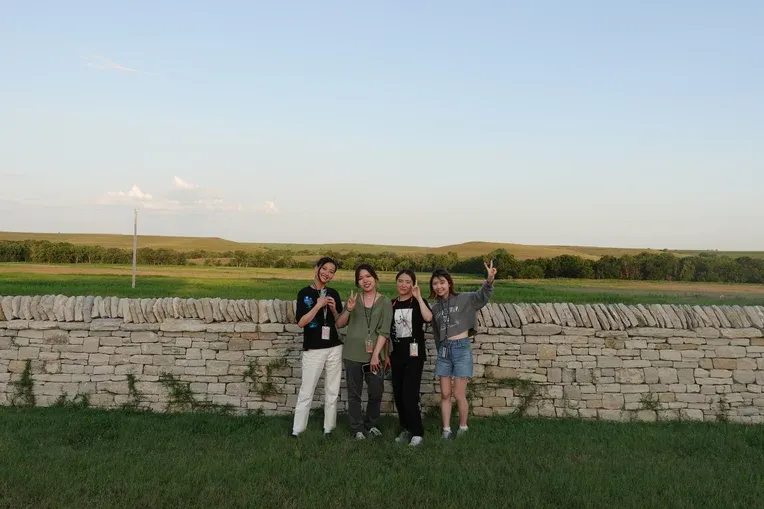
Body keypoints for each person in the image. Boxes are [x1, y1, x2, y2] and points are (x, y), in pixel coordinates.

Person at [429, 260, 497, 439]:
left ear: (449, 283)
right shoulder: (435, 308)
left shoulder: (464, 298)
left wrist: (489, 280)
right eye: (435, 283)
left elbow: (482, 296)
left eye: (442, 282)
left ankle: (463, 427)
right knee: (445, 393)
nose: (439, 286)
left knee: (459, 394)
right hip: (444, 352)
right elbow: (437, 334)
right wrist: (440, 350)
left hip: (461, 350)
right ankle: (446, 430)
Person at [335, 264, 393, 439]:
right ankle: (357, 429)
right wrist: (349, 309)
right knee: (354, 394)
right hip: (352, 354)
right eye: (360, 278)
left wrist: (376, 355)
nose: (365, 281)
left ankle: (371, 424)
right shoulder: (354, 300)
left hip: (374, 357)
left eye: (367, 276)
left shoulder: (385, 302)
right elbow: (339, 324)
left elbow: (384, 330)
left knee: (376, 392)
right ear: (357, 282)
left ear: (375, 278)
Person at [291, 257, 344, 437]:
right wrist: (318, 306)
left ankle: (329, 428)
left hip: (334, 347)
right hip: (313, 348)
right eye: (324, 269)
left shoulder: (333, 293)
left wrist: (335, 310)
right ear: (316, 268)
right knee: (307, 390)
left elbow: (340, 323)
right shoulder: (304, 293)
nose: (327, 273)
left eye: (331, 271)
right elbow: (301, 322)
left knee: (332, 390)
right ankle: (298, 430)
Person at [389, 269, 432, 447]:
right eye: (400, 281)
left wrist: (419, 297)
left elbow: (428, 318)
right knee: (398, 394)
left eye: (407, 281)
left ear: (413, 284)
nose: (403, 285)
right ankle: (405, 428)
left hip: (414, 356)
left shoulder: (417, 303)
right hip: (396, 355)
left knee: (409, 394)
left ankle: (417, 432)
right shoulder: (391, 304)